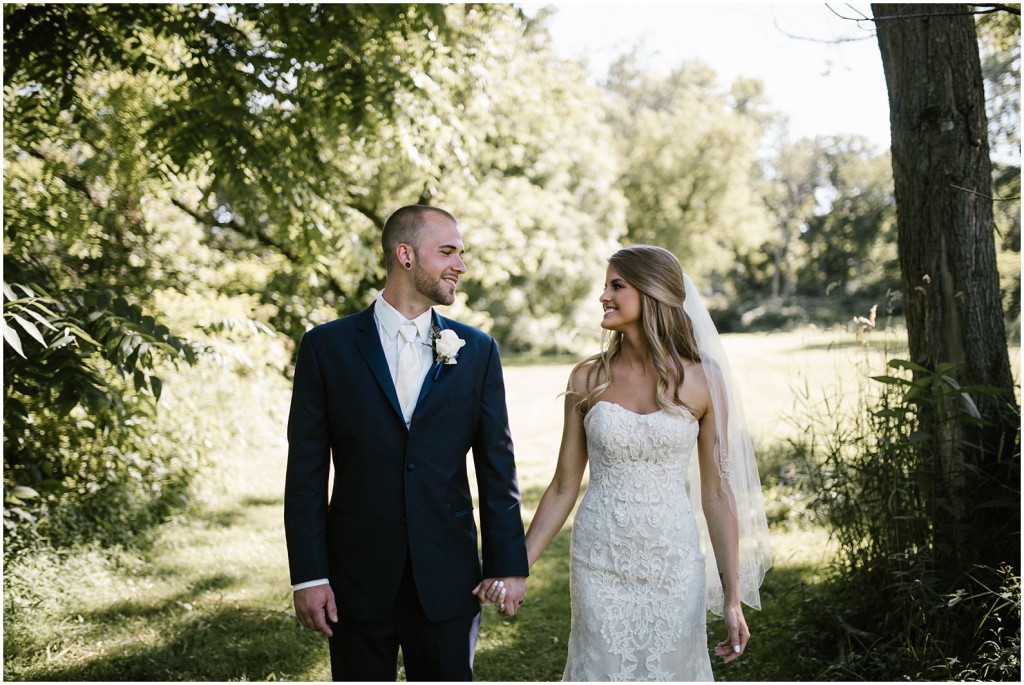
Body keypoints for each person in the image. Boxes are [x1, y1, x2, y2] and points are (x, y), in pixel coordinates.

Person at [284, 204, 529, 681]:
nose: (460, 264)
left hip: (449, 574)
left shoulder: (477, 350)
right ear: (406, 255)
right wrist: (310, 575)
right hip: (356, 575)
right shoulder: (326, 347)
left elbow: (498, 467)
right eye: (448, 251)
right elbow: (306, 473)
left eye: (461, 252)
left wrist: (509, 566)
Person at [522, 245, 772, 681]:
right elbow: (563, 487)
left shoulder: (703, 380)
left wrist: (732, 597)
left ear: (652, 292)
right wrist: (516, 567)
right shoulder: (588, 379)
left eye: (616, 285)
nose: (603, 296)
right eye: (605, 286)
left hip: (673, 564)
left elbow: (716, 492)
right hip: (600, 561)